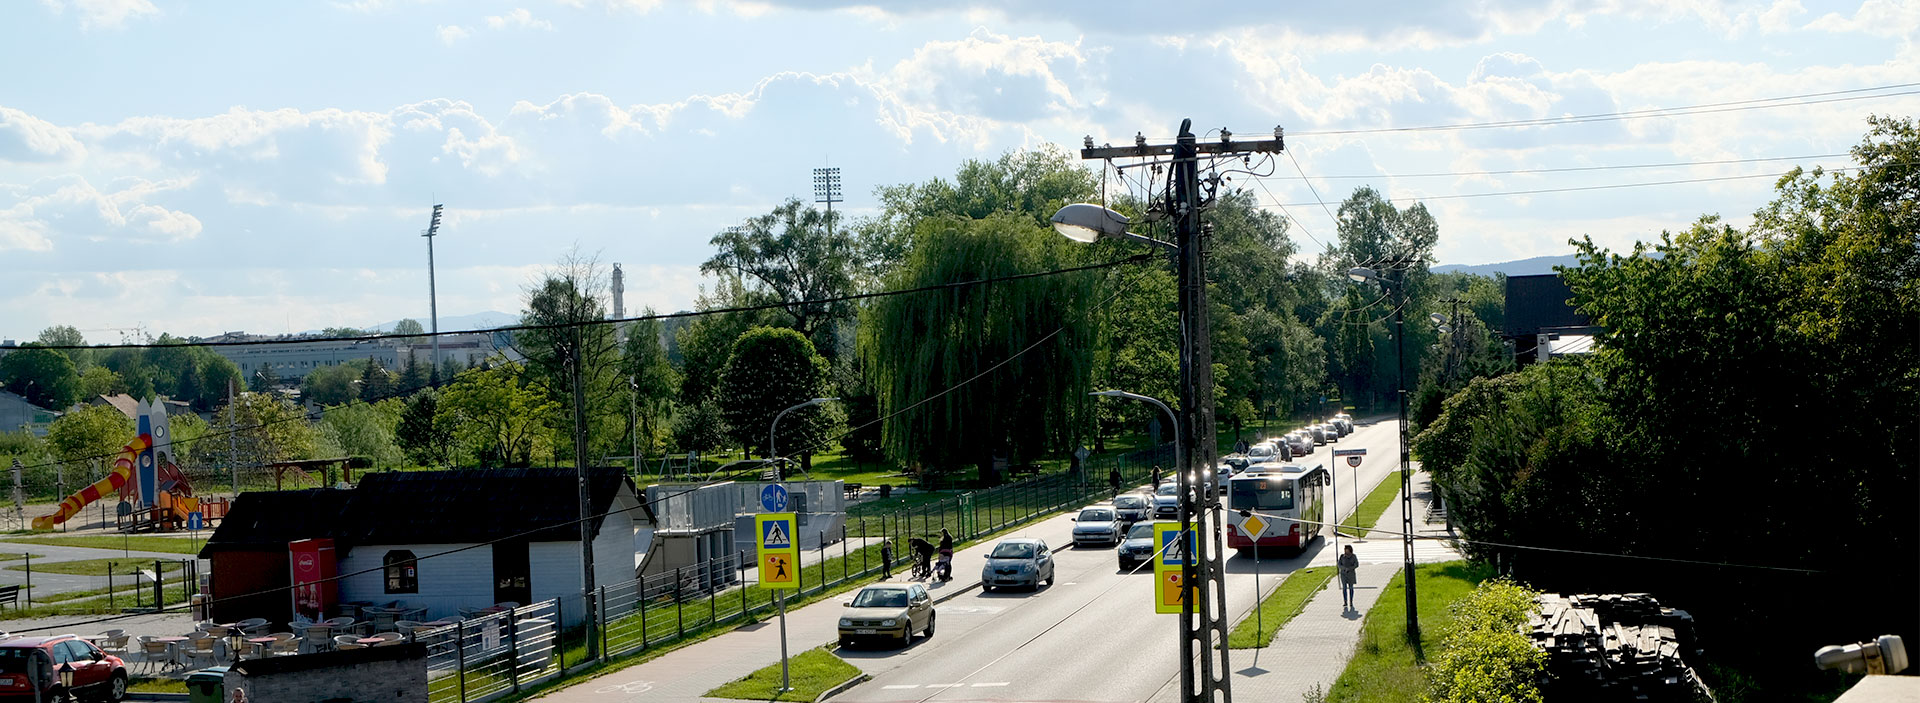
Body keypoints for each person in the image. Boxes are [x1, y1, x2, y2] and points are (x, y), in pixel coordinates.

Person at [1337, 544, 1360, 610]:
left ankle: (1351, 601)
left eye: (1346, 549)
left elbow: (1356, 564)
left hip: (1351, 574)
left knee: (1351, 588)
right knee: (1344, 588)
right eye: (1345, 550)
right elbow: (1339, 564)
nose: (1345, 551)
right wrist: (1343, 568)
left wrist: (1350, 568)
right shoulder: (1342, 556)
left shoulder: (1353, 556)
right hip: (1343, 574)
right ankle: (1345, 601)